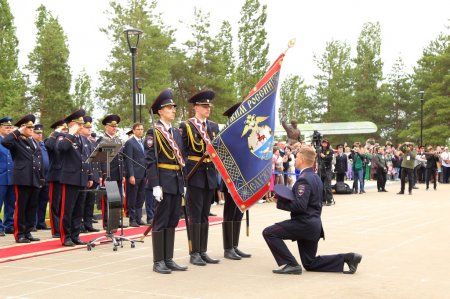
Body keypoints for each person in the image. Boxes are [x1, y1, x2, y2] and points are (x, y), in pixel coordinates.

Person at [262, 145, 362, 275]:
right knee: (310, 263)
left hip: (304, 224)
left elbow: (300, 206)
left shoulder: (303, 179)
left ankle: (291, 264)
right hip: (313, 225)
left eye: (297, 157)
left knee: (269, 233)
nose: (295, 159)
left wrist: (280, 203)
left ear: (302, 159)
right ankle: (348, 258)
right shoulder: (315, 177)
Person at [145, 89, 187, 274]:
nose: (173, 110)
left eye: (173, 108)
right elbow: (150, 160)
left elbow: (181, 158)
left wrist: (184, 183)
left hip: (177, 181)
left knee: (172, 221)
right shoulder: (154, 132)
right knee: (161, 221)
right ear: (160, 111)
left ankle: (168, 258)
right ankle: (158, 261)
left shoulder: (176, 133)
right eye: (169, 108)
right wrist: (155, 184)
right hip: (163, 181)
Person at [179, 90, 220, 266]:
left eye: (208, 106)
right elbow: (182, 152)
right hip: (194, 175)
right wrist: (184, 178)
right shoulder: (186, 126)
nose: (207, 109)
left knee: (204, 215)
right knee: (195, 215)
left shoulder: (213, 127)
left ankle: (203, 251)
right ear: (196, 107)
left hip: (209, 175)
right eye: (204, 106)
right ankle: (194, 252)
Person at [2, 114, 44, 243]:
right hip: (22, 179)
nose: (31, 129)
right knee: (21, 207)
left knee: (31, 207)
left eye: (32, 127)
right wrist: (17, 131)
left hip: (35, 179)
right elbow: (5, 141)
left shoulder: (34, 141)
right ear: (22, 128)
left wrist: (41, 178)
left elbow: (38, 161)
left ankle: (28, 231)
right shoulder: (17, 140)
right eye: (28, 127)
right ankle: (19, 233)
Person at [57, 109, 93, 246]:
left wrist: (89, 176)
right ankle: (65, 237)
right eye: (79, 124)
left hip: (82, 178)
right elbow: (62, 148)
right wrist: (71, 132)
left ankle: (75, 235)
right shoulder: (63, 136)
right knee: (67, 209)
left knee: (79, 209)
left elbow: (87, 159)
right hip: (70, 178)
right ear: (72, 124)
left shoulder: (83, 139)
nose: (82, 127)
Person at [220, 102, 251, 261]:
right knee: (230, 213)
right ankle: (228, 248)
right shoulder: (227, 133)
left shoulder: (244, 133)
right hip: (231, 178)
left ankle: (235, 245)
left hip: (243, 178)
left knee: (239, 211)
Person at [98, 114, 124, 229]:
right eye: (112, 126)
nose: (114, 128)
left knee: (117, 199)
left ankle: (115, 220)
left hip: (117, 173)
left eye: (115, 127)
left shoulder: (117, 140)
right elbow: (101, 160)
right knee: (109, 199)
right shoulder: (103, 140)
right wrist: (103, 174)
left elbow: (121, 159)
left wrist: (123, 174)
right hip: (109, 174)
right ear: (106, 127)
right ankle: (107, 222)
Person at [45, 119, 68, 238]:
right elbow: (48, 145)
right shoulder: (52, 140)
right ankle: (56, 230)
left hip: (65, 175)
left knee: (62, 204)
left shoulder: (65, 140)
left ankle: (62, 227)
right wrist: (55, 133)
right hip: (55, 176)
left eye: (65, 129)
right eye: (62, 129)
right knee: (55, 204)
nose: (64, 132)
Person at [79, 116, 101, 233]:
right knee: (82, 203)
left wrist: (97, 176)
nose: (89, 129)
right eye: (87, 127)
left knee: (90, 203)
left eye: (90, 127)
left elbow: (96, 161)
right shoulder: (80, 141)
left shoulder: (92, 142)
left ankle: (88, 223)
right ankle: (81, 224)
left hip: (94, 176)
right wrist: (89, 176)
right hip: (86, 176)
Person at [124, 122, 147, 227]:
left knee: (140, 198)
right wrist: (131, 175)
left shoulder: (142, 142)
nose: (140, 131)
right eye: (138, 129)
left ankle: (138, 217)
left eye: (142, 129)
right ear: (133, 131)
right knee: (132, 198)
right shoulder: (130, 142)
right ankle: (132, 219)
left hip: (143, 174)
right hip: (134, 175)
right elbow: (129, 160)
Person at [32, 124, 51, 230]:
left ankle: (41, 222)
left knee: (43, 201)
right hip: (36, 176)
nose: (39, 135)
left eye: (41, 133)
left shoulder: (43, 145)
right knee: (34, 201)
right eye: (37, 133)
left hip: (46, 177)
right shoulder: (32, 144)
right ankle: (33, 223)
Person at [0, 117, 15, 236]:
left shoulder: (13, 141)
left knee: (11, 203)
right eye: (7, 127)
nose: (9, 130)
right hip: (1, 177)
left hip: (12, 177)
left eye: (11, 127)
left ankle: (9, 225)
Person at [317, 139, 334, 205]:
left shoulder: (330, 150)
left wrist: (324, 156)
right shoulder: (319, 150)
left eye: (325, 143)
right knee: (321, 186)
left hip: (327, 169)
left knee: (327, 186)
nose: (324, 144)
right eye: (323, 142)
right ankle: (323, 200)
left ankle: (329, 200)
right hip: (321, 169)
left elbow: (330, 158)